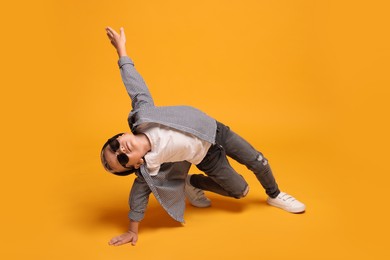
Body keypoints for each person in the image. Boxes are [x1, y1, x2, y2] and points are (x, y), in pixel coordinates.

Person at [102, 27, 306, 246]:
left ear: (121, 135)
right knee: (240, 191)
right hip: (207, 158)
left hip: (216, 131)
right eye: (122, 160)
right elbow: (138, 197)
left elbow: (136, 87)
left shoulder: (144, 116)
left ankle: (274, 194)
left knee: (257, 160)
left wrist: (121, 51)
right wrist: (132, 229)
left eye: (114, 145)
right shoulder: (150, 167)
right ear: (136, 164)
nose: (121, 150)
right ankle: (193, 183)